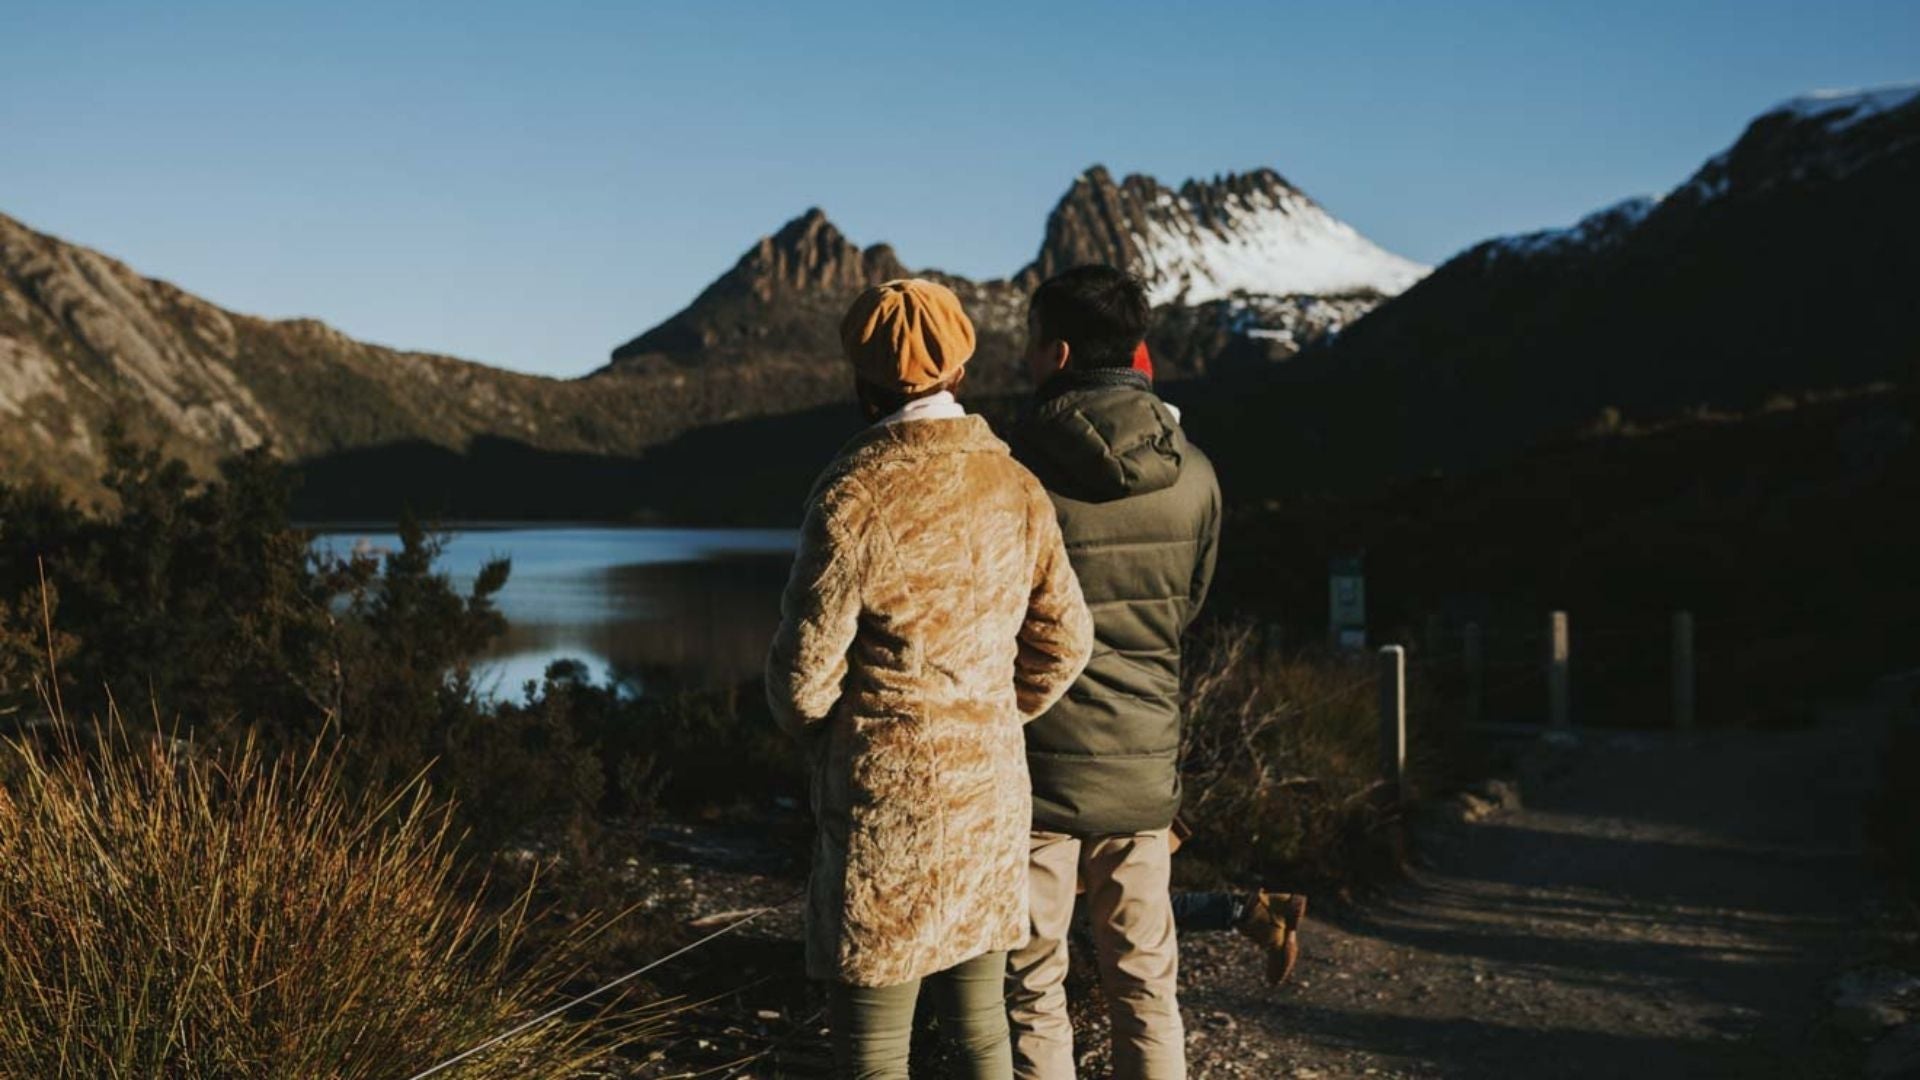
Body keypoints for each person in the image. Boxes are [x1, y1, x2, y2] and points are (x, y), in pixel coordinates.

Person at [766, 278, 1095, 1080]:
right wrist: (990, 711)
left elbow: (805, 675)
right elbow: (1068, 640)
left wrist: (834, 735)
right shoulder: (1015, 485)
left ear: (863, 378)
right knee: (983, 1034)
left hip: (890, 802)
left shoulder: (853, 495)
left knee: (875, 1055)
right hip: (989, 789)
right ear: (960, 370)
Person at [1003, 265, 1221, 1079]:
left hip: (1034, 773)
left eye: (1029, 345)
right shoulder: (1195, 471)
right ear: (1133, 348)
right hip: (1144, 769)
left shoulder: (1014, 468)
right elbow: (1187, 605)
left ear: (1055, 352)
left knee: (1031, 986)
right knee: (1144, 982)